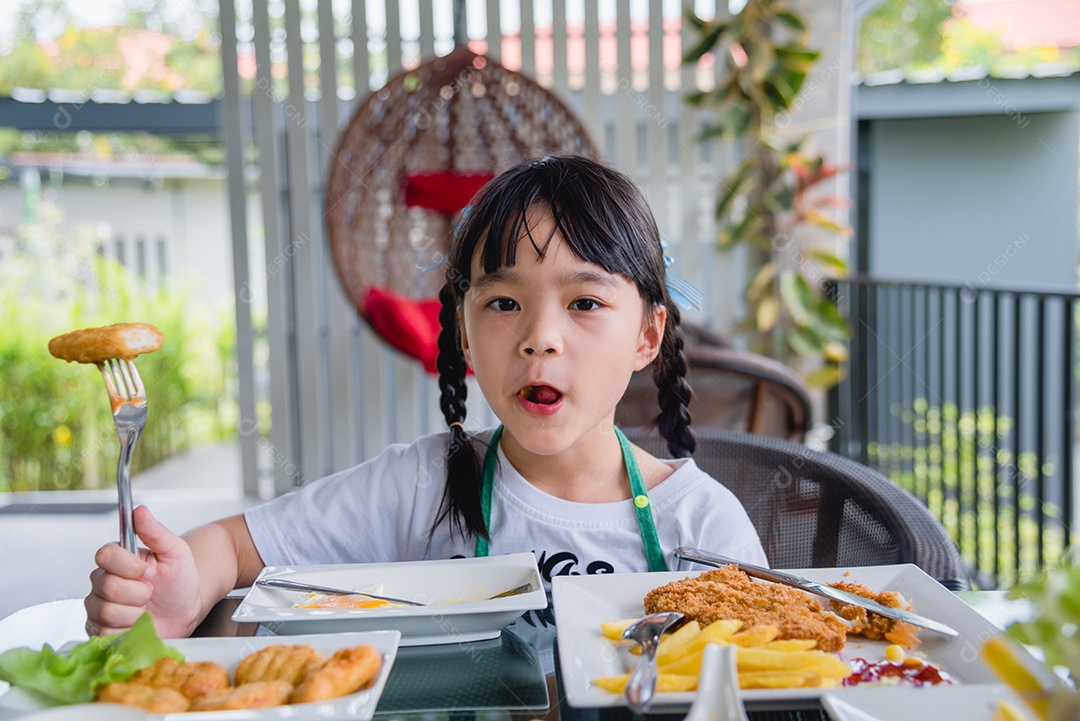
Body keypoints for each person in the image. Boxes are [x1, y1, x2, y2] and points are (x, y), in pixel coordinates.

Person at [85, 156, 767, 645]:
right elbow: (233, 547)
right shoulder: (423, 482)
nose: (539, 339)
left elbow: (764, 669)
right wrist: (177, 594)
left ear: (648, 333)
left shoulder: (702, 526)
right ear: (465, 329)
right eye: (504, 302)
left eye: (584, 301)